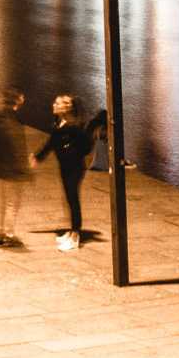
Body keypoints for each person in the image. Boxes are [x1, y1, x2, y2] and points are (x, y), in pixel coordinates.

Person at [34, 96, 108, 251]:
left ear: (67, 108)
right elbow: (52, 142)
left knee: (73, 199)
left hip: (74, 167)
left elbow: (84, 144)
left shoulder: (73, 125)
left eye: (58, 103)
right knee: (68, 198)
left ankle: (75, 237)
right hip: (65, 166)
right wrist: (39, 157)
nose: (54, 104)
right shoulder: (60, 123)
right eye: (55, 102)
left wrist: (43, 156)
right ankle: (72, 231)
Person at [0, 89, 30, 245]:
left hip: (3, 166)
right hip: (13, 170)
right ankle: (8, 235)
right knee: (12, 203)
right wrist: (24, 169)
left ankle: (3, 231)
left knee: (6, 202)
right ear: (17, 101)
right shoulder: (13, 122)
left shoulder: (1, 119)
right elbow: (17, 147)